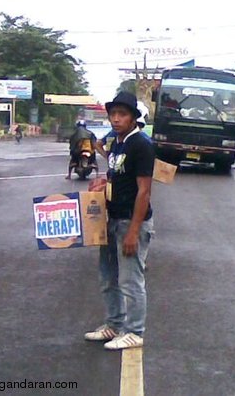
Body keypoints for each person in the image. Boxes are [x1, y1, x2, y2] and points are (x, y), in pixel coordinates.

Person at [85, 91, 155, 350]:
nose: (116, 119)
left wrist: (133, 231)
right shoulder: (118, 143)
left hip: (131, 222)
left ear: (133, 118)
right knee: (108, 277)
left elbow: (144, 190)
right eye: (113, 114)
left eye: (122, 114)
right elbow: (118, 176)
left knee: (130, 280)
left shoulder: (141, 145)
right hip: (111, 219)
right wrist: (103, 182)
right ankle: (114, 325)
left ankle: (135, 332)